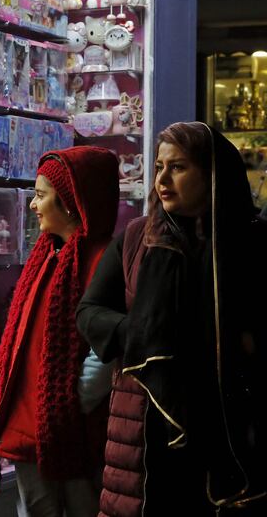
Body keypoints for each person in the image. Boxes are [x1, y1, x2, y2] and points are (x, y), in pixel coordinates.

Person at [77, 122, 267, 516]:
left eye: (178, 167)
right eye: (159, 167)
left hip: (229, 429)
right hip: (143, 429)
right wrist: (148, 335)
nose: (162, 179)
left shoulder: (252, 241)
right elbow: (90, 312)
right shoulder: (135, 239)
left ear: (212, 173)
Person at [0, 146, 120, 516]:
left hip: (69, 427)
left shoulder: (103, 260)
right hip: (28, 424)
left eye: (41, 196)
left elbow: (106, 347)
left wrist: (73, 399)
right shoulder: (47, 256)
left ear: (71, 202)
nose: (32, 205)